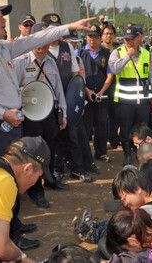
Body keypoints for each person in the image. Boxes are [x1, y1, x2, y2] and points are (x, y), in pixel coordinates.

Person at [0, 0, 96, 249]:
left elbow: (36, 39)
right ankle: (4, 237)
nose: (2, 20)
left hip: (11, 123)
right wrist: (2, 113)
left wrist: (70, 26)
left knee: (12, 178)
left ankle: (14, 226)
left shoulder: (4, 49)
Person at [13, 22, 70, 208]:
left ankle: (50, 179)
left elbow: (58, 89)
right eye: (39, 40)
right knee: (33, 153)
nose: (43, 45)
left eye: (46, 40)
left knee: (50, 148)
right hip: (30, 115)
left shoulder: (52, 62)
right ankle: (36, 191)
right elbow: (14, 89)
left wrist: (63, 111)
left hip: (50, 113)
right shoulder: (21, 62)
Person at [41, 13, 98, 180]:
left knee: (73, 137)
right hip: (48, 102)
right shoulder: (40, 48)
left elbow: (76, 76)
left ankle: (77, 169)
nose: (55, 32)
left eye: (57, 28)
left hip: (68, 100)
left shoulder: (67, 48)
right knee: (54, 138)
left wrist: (77, 103)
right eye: (51, 29)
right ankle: (57, 170)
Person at [108, 24, 152, 165]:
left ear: (139, 37)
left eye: (132, 39)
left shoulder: (147, 54)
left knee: (142, 129)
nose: (129, 42)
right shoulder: (117, 52)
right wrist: (127, 56)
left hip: (143, 100)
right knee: (125, 129)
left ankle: (141, 154)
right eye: (126, 39)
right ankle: (127, 156)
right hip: (124, 101)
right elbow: (115, 69)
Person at [78, 24, 114, 163]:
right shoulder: (79, 53)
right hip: (85, 96)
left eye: (96, 36)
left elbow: (109, 76)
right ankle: (84, 154)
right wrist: (87, 91)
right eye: (90, 36)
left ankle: (100, 153)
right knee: (85, 127)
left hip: (101, 96)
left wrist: (101, 92)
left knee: (101, 125)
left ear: (100, 38)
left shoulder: (107, 54)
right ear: (86, 38)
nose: (93, 39)